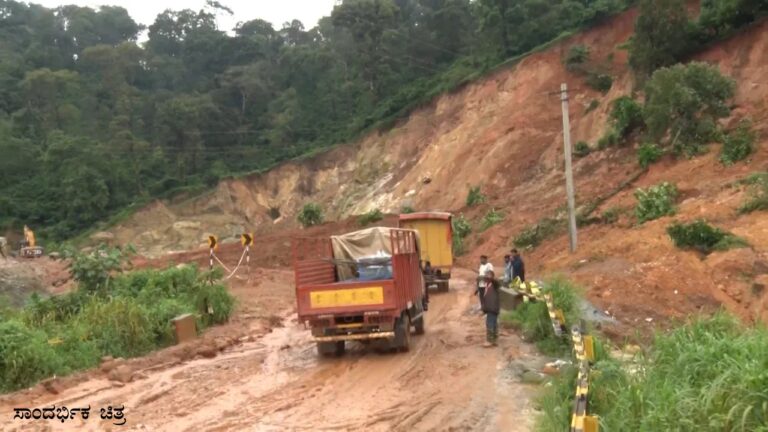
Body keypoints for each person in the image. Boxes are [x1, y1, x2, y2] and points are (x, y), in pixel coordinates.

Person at [481, 269, 501, 347]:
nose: (486, 277)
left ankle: (490, 341)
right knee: (494, 324)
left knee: (490, 324)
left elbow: (496, 282)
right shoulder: (487, 285)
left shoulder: (494, 284)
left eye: (487, 275)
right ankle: (494, 340)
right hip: (491, 308)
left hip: (493, 308)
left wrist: (491, 278)